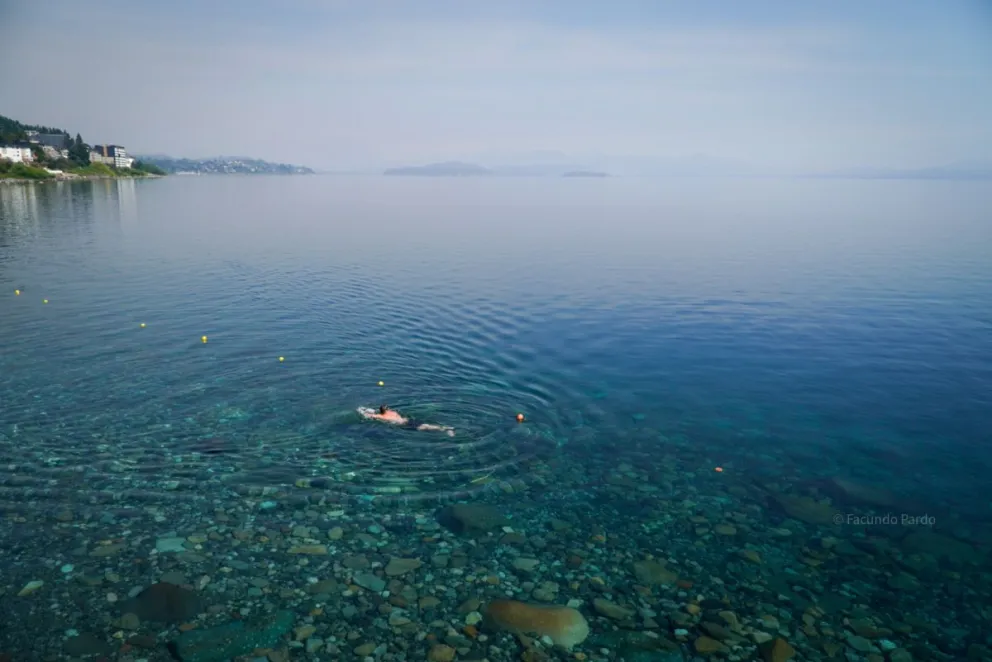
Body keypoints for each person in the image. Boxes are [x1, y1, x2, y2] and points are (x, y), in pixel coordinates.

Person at [359, 404, 455, 436]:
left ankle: (445, 430)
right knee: (426, 425)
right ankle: (445, 428)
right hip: (408, 420)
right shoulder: (393, 412)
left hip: (404, 424)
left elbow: (369, 415)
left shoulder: (381, 416)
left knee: (424, 428)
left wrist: (362, 410)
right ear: (387, 409)